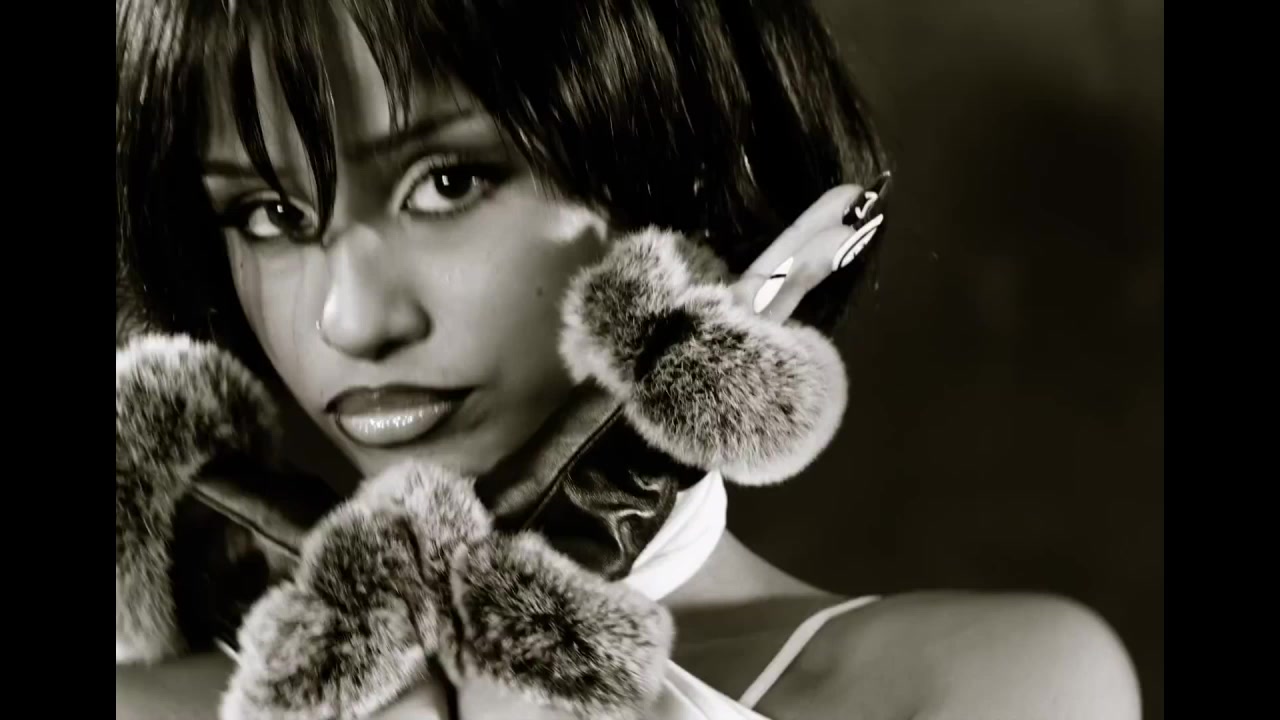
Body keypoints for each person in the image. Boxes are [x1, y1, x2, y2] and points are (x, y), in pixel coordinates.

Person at [115, 0, 1141, 717]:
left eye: (448, 182)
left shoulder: (996, 685)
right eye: (270, 213)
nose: (349, 320)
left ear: (675, 162)